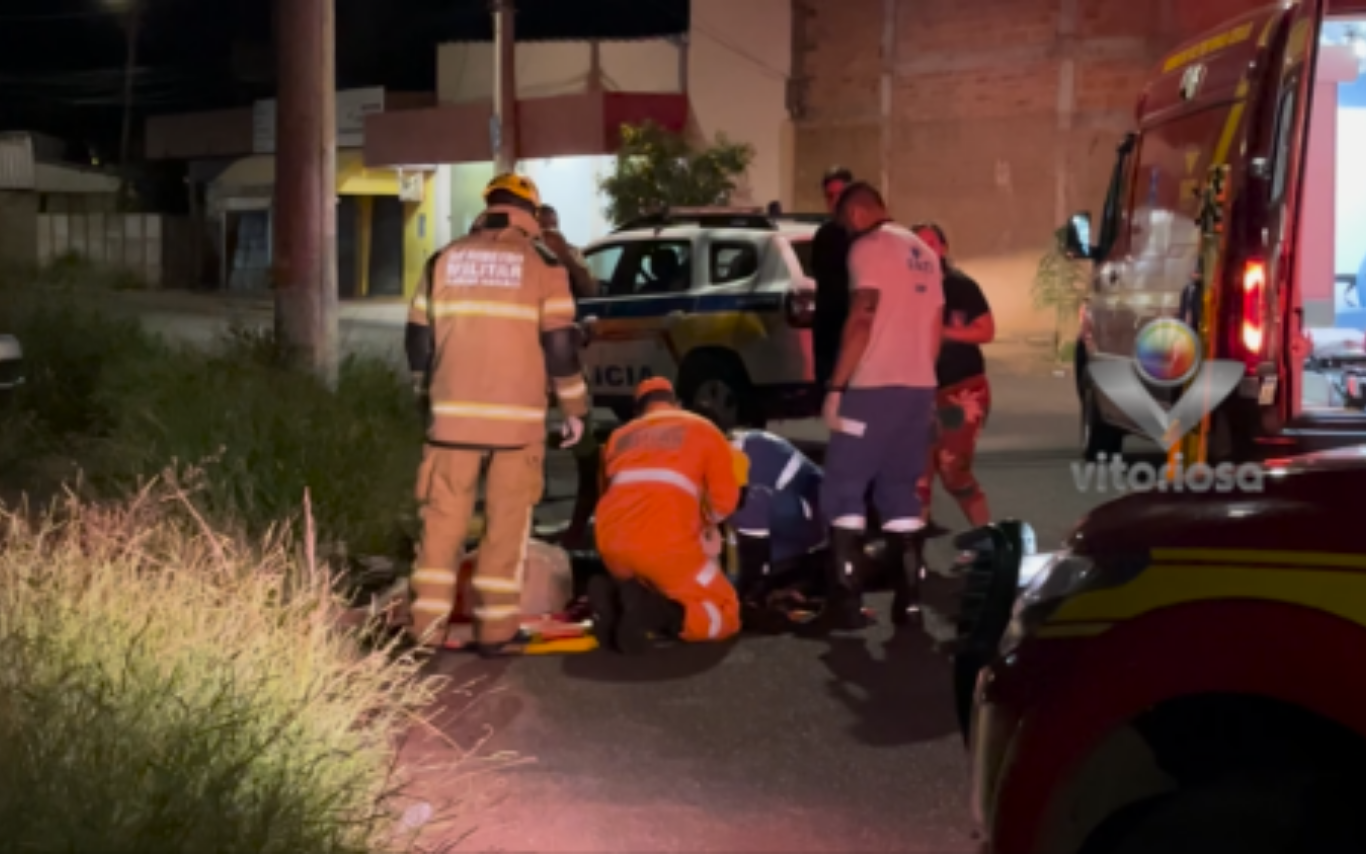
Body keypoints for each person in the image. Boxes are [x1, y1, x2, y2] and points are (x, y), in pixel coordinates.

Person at [405, 172, 591, 657]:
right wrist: (574, 407)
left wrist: (427, 396)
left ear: (488, 208)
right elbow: (561, 347)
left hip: (451, 423)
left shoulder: (444, 258)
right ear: (530, 212)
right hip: (517, 424)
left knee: (441, 526)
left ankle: (424, 630)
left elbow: (417, 342)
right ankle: (494, 632)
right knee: (506, 527)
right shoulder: (543, 264)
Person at [819, 182, 943, 629]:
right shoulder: (924, 253)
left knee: (842, 489)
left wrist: (837, 386)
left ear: (853, 214)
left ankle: (846, 603)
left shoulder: (868, 248)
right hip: (917, 388)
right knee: (900, 494)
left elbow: (863, 314)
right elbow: (933, 328)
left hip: (872, 388)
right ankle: (909, 606)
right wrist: (924, 386)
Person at [589, 377, 743, 654]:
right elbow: (725, 502)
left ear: (639, 409)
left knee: (653, 577)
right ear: (676, 403)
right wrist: (706, 527)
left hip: (613, 549)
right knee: (726, 610)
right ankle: (656, 614)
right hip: (667, 549)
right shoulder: (702, 428)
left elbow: (605, 496)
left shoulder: (617, 437)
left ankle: (619, 593)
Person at [911, 222, 995, 528]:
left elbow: (986, 330)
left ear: (943, 248)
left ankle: (988, 539)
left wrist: (945, 333)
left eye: (931, 243)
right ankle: (910, 550)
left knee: (953, 470)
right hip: (917, 392)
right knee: (915, 475)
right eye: (918, 244)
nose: (926, 250)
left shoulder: (961, 287)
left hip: (961, 389)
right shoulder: (905, 288)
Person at [727, 428, 826, 611]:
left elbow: (748, 510)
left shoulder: (750, 450)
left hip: (811, 515)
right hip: (793, 520)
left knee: (747, 501)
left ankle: (753, 590)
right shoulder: (737, 449)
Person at [811, 166, 855, 389]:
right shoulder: (823, 236)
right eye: (830, 196)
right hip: (830, 337)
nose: (835, 201)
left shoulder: (867, 236)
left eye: (841, 194)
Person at [537, 204, 598, 299]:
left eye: (553, 227)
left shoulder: (573, 252)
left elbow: (590, 291)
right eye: (544, 228)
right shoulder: (528, 252)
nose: (550, 234)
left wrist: (566, 257)